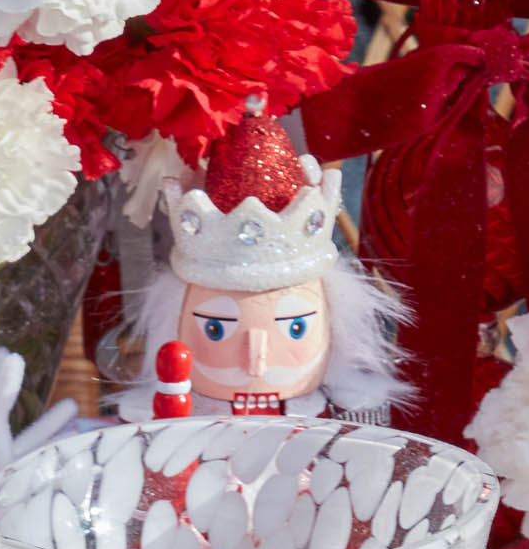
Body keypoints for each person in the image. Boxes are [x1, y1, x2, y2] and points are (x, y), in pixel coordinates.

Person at [116, 106, 400, 425]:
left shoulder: (340, 413)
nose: (256, 362)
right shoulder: (166, 414)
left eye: (297, 328)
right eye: (214, 329)